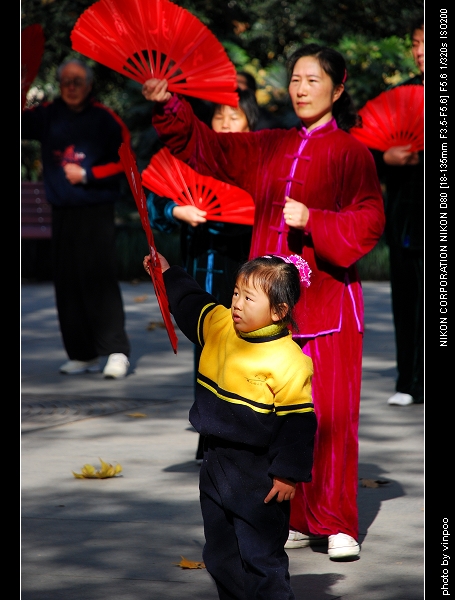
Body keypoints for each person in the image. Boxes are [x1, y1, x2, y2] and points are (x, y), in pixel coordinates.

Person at [141, 42, 385, 560]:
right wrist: (169, 107)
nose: (300, 89)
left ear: (338, 88)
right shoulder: (269, 145)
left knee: (331, 414)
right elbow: (210, 149)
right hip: (269, 310)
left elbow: (369, 219)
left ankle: (337, 521)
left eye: (313, 80)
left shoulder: (353, 153)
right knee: (275, 412)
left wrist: (316, 221)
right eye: (295, 79)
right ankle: (295, 513)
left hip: (330, 307)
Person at [143, 251, 317, 599]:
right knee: (220, 554)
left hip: (259, 474)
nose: (236, 303)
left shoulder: (290, 362)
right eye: (236, 293)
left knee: (260, 556)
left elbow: (298, 424)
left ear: (279, 311)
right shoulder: (221, 326)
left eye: (248, 298)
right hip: (215, 462)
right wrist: (167, 273)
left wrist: (288, 473)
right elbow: (193, 303)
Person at [146, 87, 260, 462]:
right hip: (201, 267)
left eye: (235, 116)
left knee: (245, 350)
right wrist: (178, 211)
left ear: (250, 122)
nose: (226, 123)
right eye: (219, 116)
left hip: (243, 268)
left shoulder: (256, 158)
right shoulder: (193, 158)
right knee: (205, 351)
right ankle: (208, 433)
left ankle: (245, 433)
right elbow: (155, 198)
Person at [21, 58, 131, 378]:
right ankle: (81, 353)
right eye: (66, 81)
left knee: (99, 279)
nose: (71, 87)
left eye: (77, 81)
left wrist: (89, 174)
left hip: (95, 209)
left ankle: (115, 350)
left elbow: (127, 159)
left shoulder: (104, 118)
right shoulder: (47, 115)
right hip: (62, 211)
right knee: (67, 282)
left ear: (89, 85)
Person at [371, 16, 424, 406]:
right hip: (409, 215)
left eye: (429, 43)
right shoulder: (402, 95)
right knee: (407, 298)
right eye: (416, 43)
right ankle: (409, 380)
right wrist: (386, 156)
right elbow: (368, 152)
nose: (421, 51)